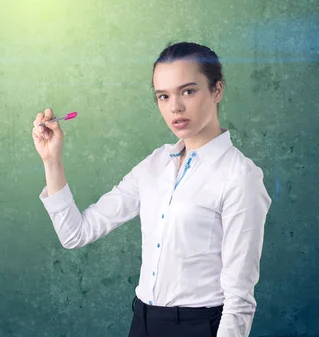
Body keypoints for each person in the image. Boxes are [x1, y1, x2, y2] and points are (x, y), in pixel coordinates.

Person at [31, 41, 272, 337]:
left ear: (217, 90)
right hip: (143, 323)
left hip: (200, 327)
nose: (175, 107)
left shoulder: (240, 176)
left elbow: (239, 298)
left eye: (188, 91)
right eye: (163, 96)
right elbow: (75, 233)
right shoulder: (154, 164)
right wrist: (52, 159)